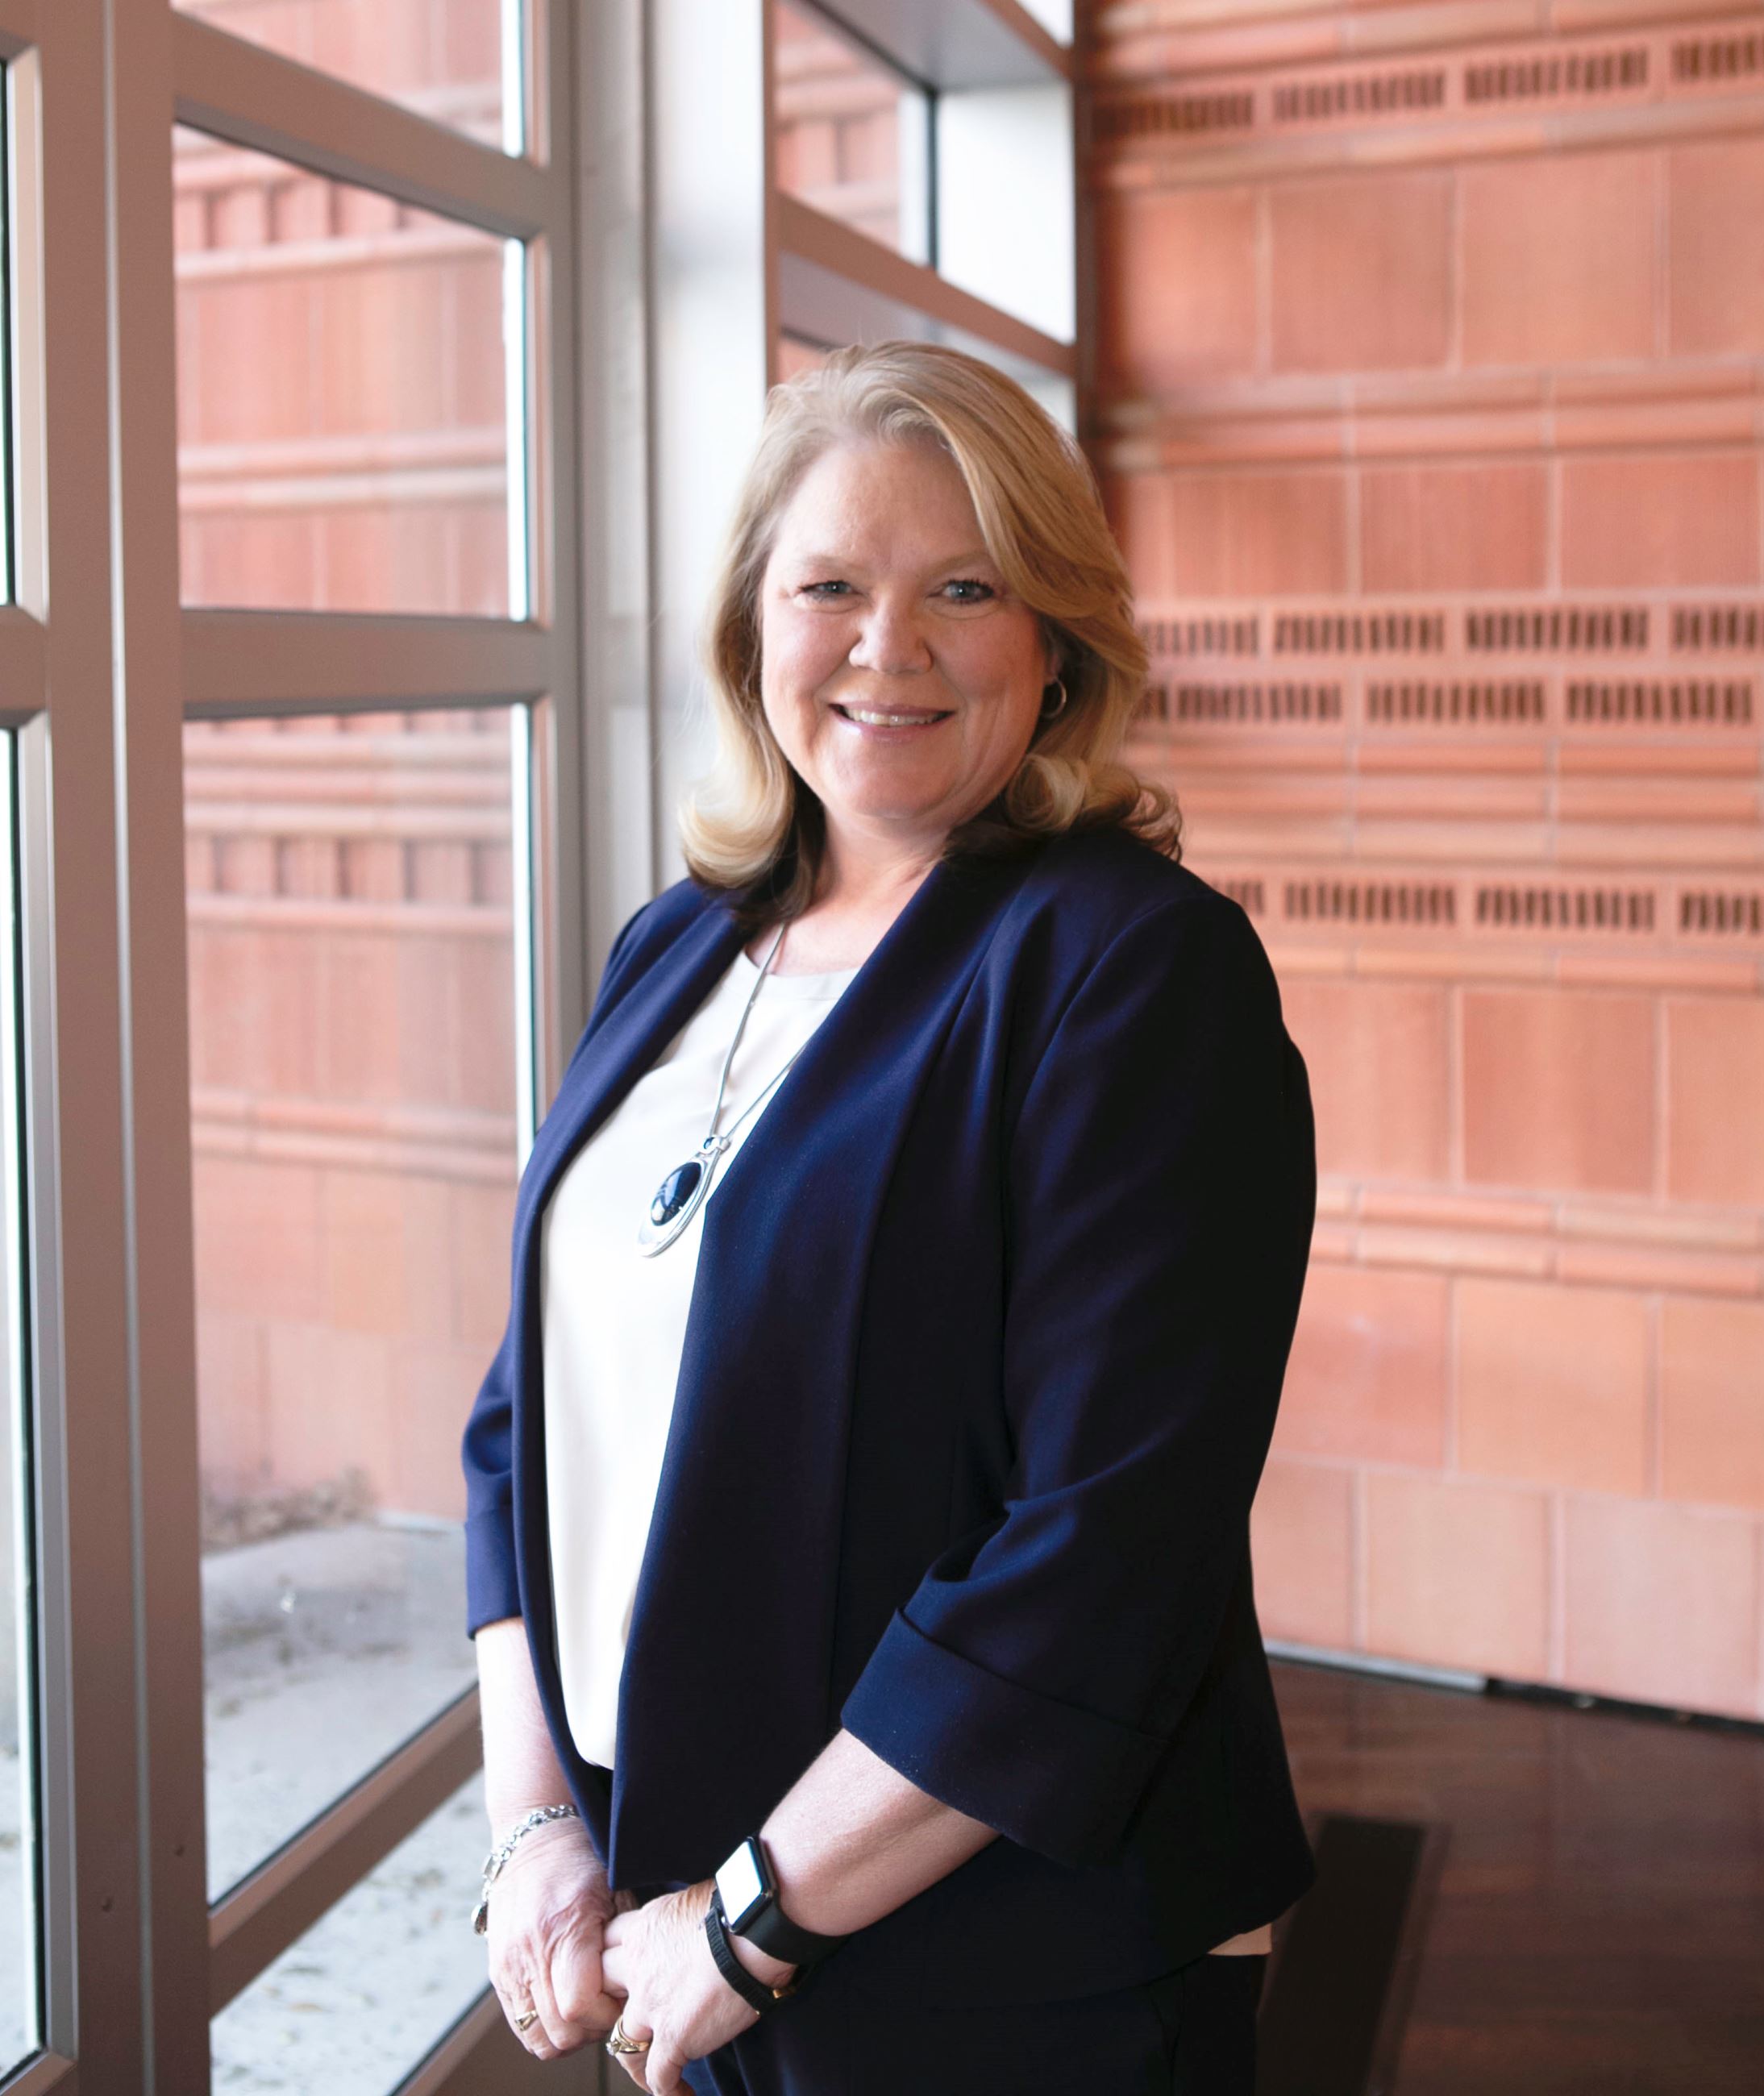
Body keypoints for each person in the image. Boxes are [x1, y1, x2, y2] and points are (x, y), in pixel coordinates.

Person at [461, 339, 1317, 2096]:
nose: (888, 645)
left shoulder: (1134, 973)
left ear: (1054, 636)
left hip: (1007, 1975)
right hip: (686, 1927)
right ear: (748, 627)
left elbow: (1106, 1543)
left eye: (963, 587)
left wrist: (759, 1915)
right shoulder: (675, 949)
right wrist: (538, 1819)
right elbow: (520, 1425)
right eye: (830, 584)